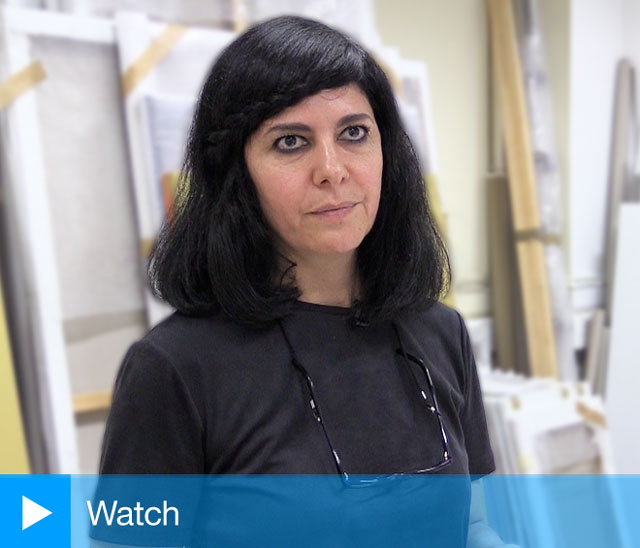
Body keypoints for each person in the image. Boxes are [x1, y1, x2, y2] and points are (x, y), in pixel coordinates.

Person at [99, 15, 515, 548]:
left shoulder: (441, 333)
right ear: (236, 173)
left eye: (354, 133)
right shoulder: (175, 369)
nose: (332, 168)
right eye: (291, 142)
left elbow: (473, 527)